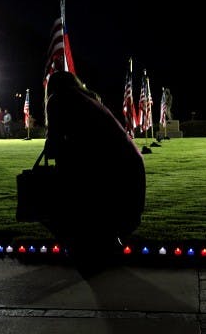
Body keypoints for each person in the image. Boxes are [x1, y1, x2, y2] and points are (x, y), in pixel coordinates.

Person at [41, 71, 146, 267]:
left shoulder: (58, 99)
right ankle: (103, 247)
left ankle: (89, 252)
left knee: (78, 203)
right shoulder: (88, 99)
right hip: (128, 161)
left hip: (110, 164)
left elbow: (55, 142)